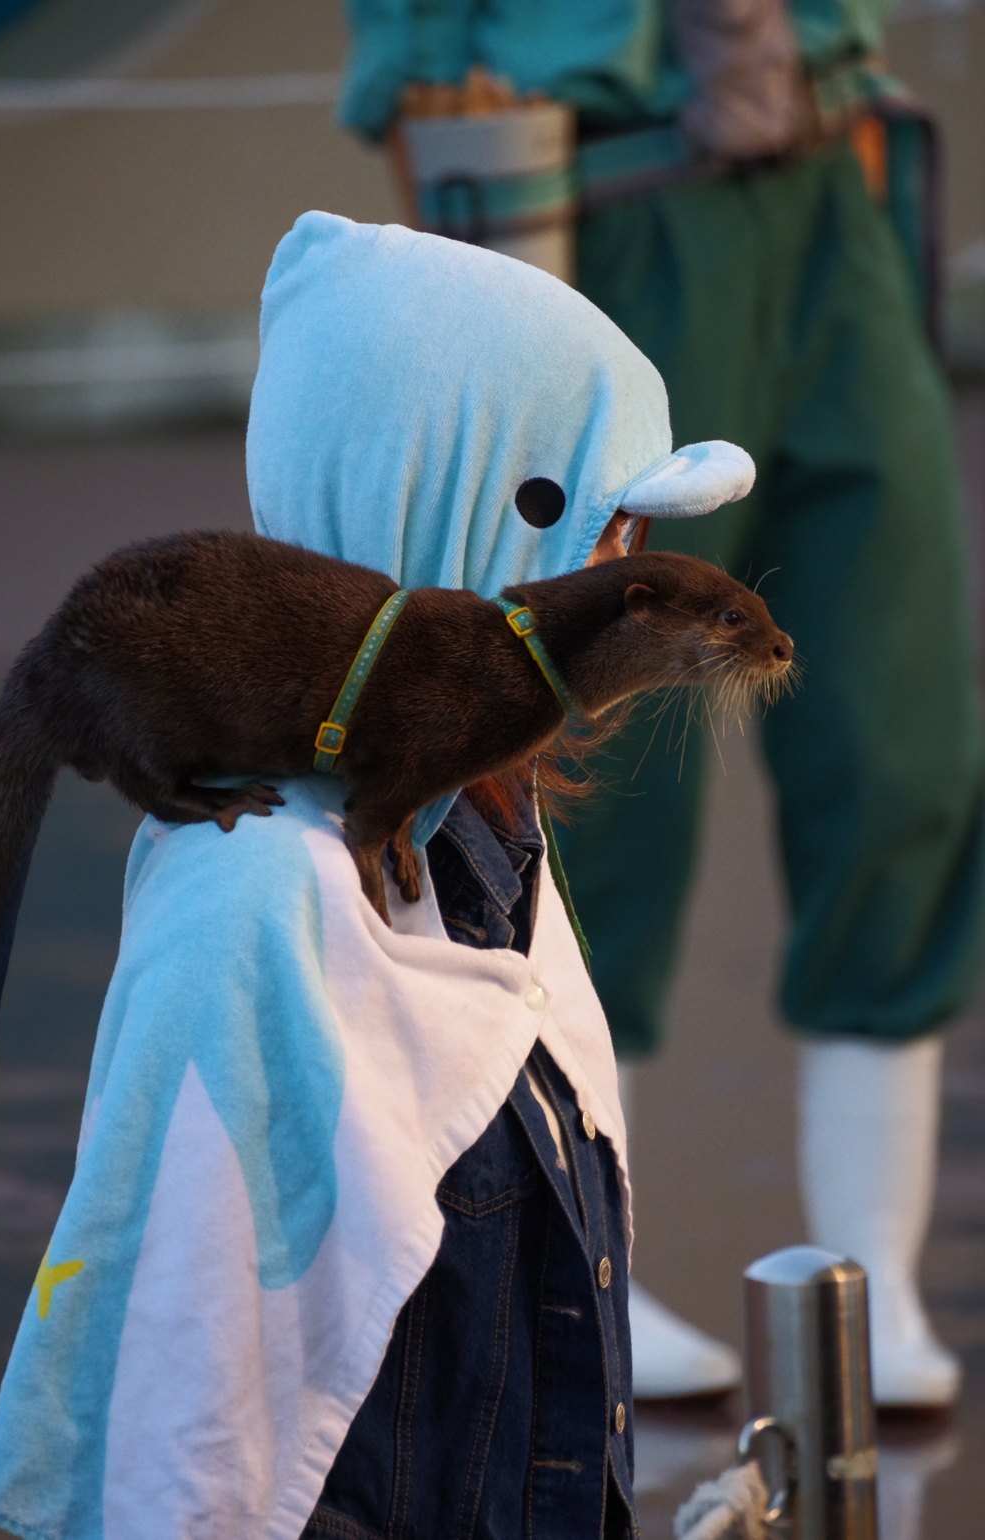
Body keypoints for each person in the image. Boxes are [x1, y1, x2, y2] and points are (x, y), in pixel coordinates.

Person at [0, 213, 757, 1540]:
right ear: (498, 511)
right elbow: (191, 1435)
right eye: (612, 531)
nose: (627, 578)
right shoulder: (258, 911)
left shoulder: (493, 842)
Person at [339, 0, 985, 1407]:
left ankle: (870, 1278)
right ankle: (574, 1280)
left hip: (823, 153)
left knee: (904, 744)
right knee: (590, 757)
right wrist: (431, 87)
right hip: (601, 177)